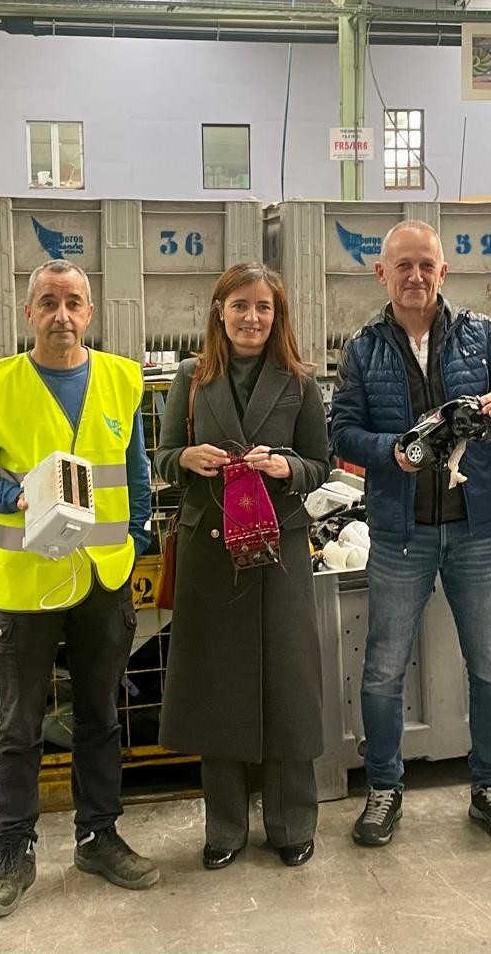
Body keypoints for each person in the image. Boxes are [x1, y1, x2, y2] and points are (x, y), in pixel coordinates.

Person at [0, 259, 159, 919]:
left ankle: (98, 837)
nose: (61, 315)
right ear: (29, 313)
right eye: (48, 302)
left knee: (100, 716)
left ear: (90, 313)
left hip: (103, 576)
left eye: (73, 303)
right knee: (18, 723)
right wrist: (17, 495)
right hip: (27, 582)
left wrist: (140, 535)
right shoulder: (0, 385)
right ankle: (12, 848)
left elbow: (136, 472)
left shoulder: (121, 380)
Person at [329, 220, 491, 849]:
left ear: (443, 272)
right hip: (400, 533)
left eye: (427, 265)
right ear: (382, 274)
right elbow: (340, 430)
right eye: (404, 266)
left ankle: (489, 789)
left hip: (477, 532)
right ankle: (384, 790)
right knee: (383, 669)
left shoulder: (482, 336)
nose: (416, 276)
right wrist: (390, 450)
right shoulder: (363, 349)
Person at [154, 262, 331, 870]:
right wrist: (188, 458)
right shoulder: (191, 378)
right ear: (219, 312)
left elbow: (320, 464)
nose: (252, 318)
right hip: (211, 549)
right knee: (217, 687)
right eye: (240, 306)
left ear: (277, 316)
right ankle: (225, 828)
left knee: (287, 683)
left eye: (263, 307)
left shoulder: (302, 383)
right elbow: (162, 456)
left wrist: (287, 468)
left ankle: (290, 823)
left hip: (280, 549)